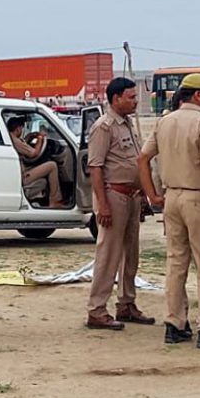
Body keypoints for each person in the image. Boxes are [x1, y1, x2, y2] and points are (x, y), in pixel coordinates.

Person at [140, 73, 200, 347]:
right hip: (198, 196)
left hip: (172, 198)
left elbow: (143, 158)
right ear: (198, 95)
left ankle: (175, 323)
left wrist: (152, 194)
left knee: (176, 264)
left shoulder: (165, 122)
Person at [85, 77, 155, 330]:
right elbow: (95, 167)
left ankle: (126, 304)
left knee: (130, 255)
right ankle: (97, 309)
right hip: (113, 196)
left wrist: (144, 195)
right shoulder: (104, 127)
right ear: (116, 99)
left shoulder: (126, 124)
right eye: (131, 97)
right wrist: (102, 205)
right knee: (109, 255)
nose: (135, 101)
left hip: (132, 196)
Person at [7, 117, 63, 208]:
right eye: (21, 128)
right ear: (18, 129)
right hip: (23, 176)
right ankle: (55, 200)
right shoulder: (15, 141)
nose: (22, 130)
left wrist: (31, 136)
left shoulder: (11, 138)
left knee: (43, 181)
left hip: (20, 171)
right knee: (52, 166)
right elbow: (33, 153)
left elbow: (24, 145)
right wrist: (40, 138)